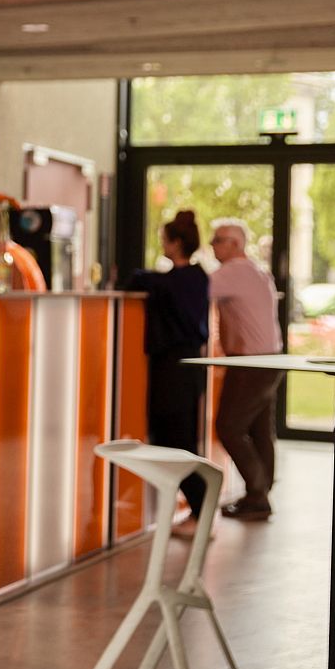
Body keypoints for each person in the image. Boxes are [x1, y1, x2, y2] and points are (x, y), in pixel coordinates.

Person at [126, 210, 209, 535]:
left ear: (176, 243)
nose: (162, 244)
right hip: (188, 369)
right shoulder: (197, 279)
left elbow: (137, 279)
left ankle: (201, 509)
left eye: (165, 240)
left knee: (174, 439)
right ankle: (199, 509)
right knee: (180, 437)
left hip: (173, 371)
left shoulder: (172, 283)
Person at [209, 218, 284, 521]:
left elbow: (194, 292)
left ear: (235, 244)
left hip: (249, 363)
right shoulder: (258, 271)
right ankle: (261, 493)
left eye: (217, 240)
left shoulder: (232, 272)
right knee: (260, 429)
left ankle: (257, 493)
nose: (212, 245)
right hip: (271, 359)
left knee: (229, 426)